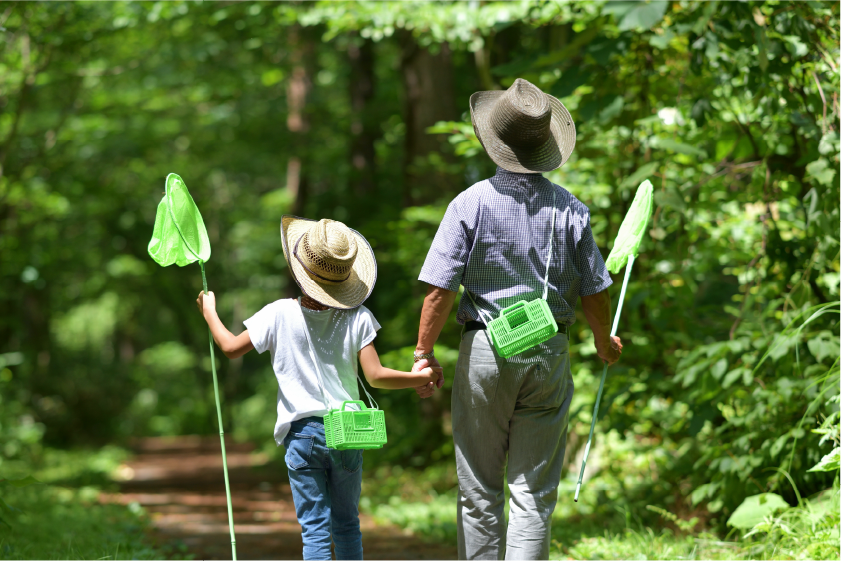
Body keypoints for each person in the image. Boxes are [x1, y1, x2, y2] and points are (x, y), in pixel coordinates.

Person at [411, 78, 623, 560]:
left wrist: (423, 354)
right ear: (545, 145)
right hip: (549, 351)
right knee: (533, 495)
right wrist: (602, 340)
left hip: (485, 348)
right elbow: (596, 290)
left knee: (479, 491)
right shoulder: (572, 210)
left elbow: (439, 291)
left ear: (495, 141)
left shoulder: (469, 204)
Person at [197, 216, 441, 561]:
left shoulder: (278, 313)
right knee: (346, 524)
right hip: (348, 433)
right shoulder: (357, 317)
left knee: (314, 528)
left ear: (300, 269)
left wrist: (210, 312)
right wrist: (421, 377)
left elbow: (231, 348)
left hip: (303, 434)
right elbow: (376, 376)